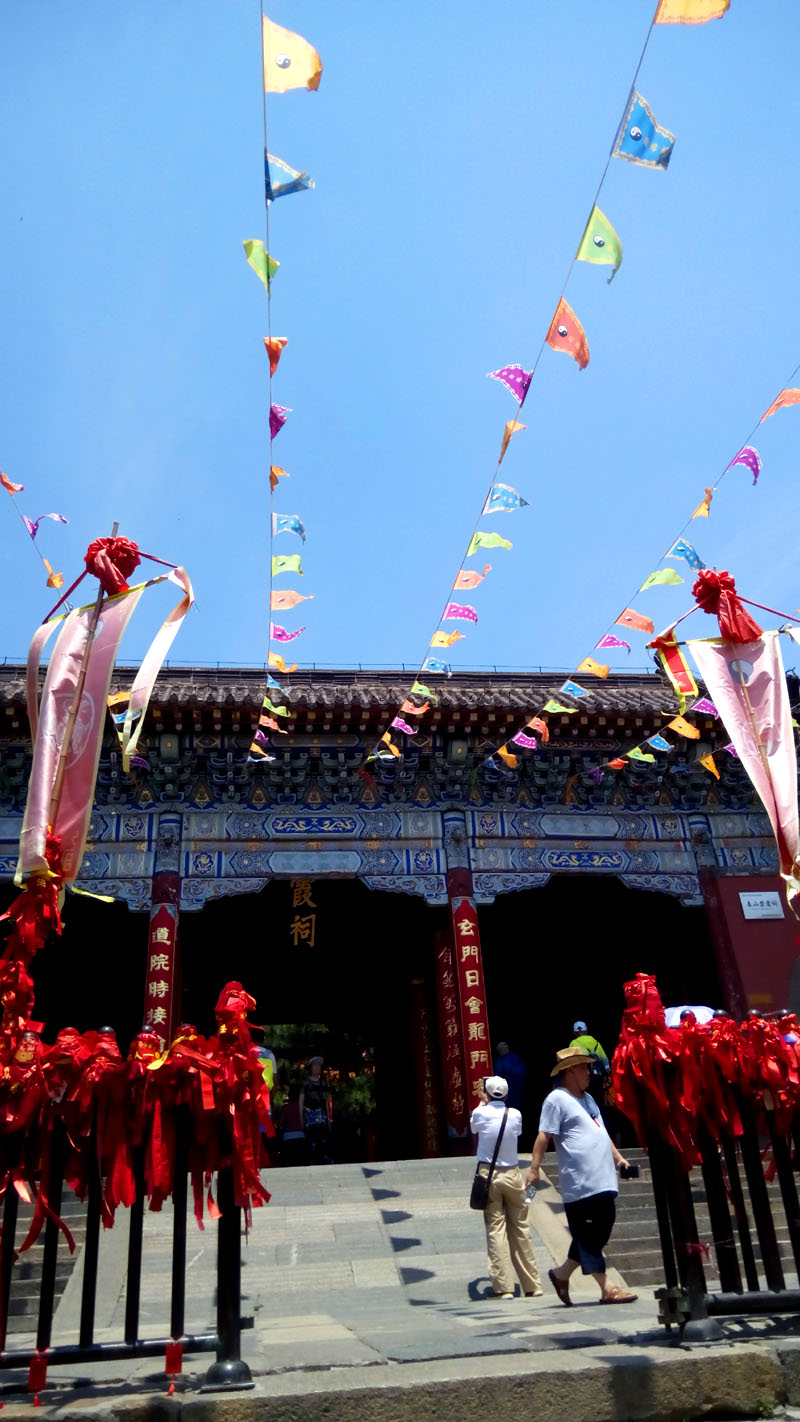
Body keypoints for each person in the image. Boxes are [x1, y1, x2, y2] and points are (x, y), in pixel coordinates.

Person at [525, 1046, 637, 1305]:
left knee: (601, 1228)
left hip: (604, 1179)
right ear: (570, 1070)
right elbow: (544, 1136)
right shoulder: (557, 1099)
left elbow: (602, 1132)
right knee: (588, 1236)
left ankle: (561, 1274)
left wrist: (619, 1158)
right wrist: (533, 1169)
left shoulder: (588, 1100)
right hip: (580, 1183)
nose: (588, 1072)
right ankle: (607, 1287)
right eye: (584, 1067)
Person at [470, 1075, 542, 1300]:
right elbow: (517, 1133)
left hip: (489, 1175)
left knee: (496, 1229)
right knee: (521, 1228)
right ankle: (533, 1285)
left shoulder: (480, 1112)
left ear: (488, 1094)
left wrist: (482, 1103)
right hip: (513, 1174)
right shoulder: (516, 1114)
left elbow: (474, 1129)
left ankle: (503, 1287)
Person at [300, 1055, 332, 1165]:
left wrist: (329, 1118)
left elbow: (327, 1101)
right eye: (315, 1065)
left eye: (319, 1065)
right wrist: (301, 1119)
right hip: (310, 1115)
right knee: (311, 1141)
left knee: (323, 1139)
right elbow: (301, 1101)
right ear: (311, 1067)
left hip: (322, 1115)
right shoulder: (306, 1083)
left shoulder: (323, 1083)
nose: (317, 1067)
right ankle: (312, 1160)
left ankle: (324, 1157)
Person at [492, 1041, 528, 1113]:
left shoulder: (514, 1057)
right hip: (507, 1094)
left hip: (516, 1092)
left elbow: (523, 1073)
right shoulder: (499, 1061)